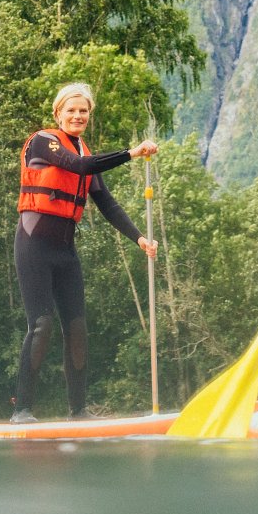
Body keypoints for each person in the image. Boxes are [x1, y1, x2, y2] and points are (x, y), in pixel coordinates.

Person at [12, 82, 159, 423]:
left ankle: (78, 411)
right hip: (33, 246)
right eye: (71, 110)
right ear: (58, 113)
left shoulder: (83, 150)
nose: (77, 116)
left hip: (65, 251)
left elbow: (106, 202)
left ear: (88, 116)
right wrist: (131, 153)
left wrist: (139, 239)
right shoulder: (44, 141)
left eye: (83, 111)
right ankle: (22, 410)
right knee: (42, 325)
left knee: (76, 329)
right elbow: (80, 167)